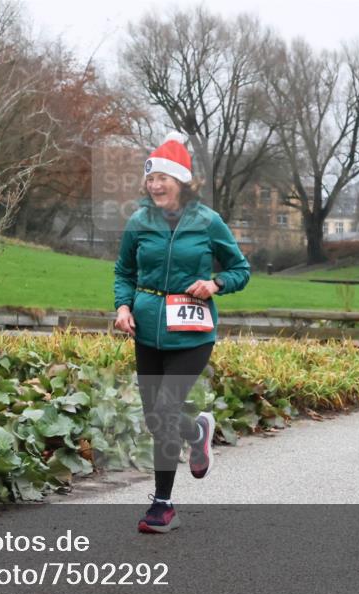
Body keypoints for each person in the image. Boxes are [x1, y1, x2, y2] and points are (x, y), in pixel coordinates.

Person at [113, 132, 251, 533]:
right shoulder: (138, 222)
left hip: (191, 333)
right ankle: (198, 431)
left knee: (164, 410)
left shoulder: (208, 222)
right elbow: (124, 272)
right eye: (150, 178)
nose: (155, 185)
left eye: (163, 178)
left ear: (182, 182)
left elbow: (240, 269)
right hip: (147, 330)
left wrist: (216, 284)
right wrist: (123, 306)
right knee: (157, 419)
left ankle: (162, 505)